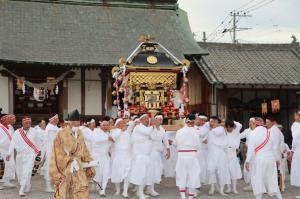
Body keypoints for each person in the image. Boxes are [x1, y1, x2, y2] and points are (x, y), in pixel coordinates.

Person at [49, 109, 96, 199]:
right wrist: (67, 158)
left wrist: (89, 162)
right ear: (69, 123)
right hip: (66, 167)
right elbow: (57, 151)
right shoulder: (61, 134)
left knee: (82, 188)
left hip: (78, 166)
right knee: (64, 190)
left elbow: (84, 149)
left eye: (78, 122)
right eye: (74, 122)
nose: (77, 124)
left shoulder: (80, 133)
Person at [245, 117, 282, 199]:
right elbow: (274, 148)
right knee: (272, 178)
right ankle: (279, 197)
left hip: (259, 159)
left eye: (251, 123)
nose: (250, 124)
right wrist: (277, 159)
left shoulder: (253, 133)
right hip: (271, 158)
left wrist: (247, 161)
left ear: (255, 123)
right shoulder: (269, 132)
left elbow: (251, 149)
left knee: (258, 178)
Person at [6, 116, 41, 196]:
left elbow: (38, 141)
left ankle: (21, 190)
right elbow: (12, 144)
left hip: (30, 155)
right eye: (26, 123)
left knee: (27, 171)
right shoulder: (17, 132)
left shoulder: (34, 131)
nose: (28, 124)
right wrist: (9, 153)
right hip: (19, 155)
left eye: (29, 123)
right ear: (22, 123)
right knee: (20, 173)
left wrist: (39, 151)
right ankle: (27, 185)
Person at [174, 113, 201, 199]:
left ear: (186, 121)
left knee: (181, 175)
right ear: (193, 122)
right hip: (192, 156)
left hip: (182, 156)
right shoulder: (196, 131)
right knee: (193, 176)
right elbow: (198, 145)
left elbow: (175, 143)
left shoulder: (179, 131)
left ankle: (183, 197)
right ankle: (190, 197)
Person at [129, 114, 154, 199]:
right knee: (140, 175)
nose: (147, 120)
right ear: (141, 120)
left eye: (148, 119)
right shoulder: (138, 127)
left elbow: (152, 137)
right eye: (145, 119)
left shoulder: (147, 128)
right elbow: (147, 133)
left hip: (146, 155)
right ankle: (140, 193)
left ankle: (140, 193)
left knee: (146, 175)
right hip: (140, 156)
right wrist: (152, 125)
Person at [146, 114, 170, 196]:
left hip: (157, 153)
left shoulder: (162, 129)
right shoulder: (150, 128)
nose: (160, 120)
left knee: (156, 170)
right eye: (158, 119)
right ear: (155, 120)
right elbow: (152, 137)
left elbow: (165, 140)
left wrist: (168, 149)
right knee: (151, 170)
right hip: (151, 152)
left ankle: (150, 189)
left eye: (161, 119)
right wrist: (154, 128)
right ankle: (150, 189)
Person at [207, 116, 230, 196]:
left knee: (222, 171)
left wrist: (210, 128)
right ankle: (212, 188)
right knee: (211, 171)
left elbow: (217, 133)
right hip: (212, 153)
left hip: (220, 153)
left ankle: (221, 189)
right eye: (211, 121)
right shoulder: (210, 130)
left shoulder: (220, 129)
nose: (211, 123)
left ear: (217, 122)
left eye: (213, 121)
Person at [110, 118, 131, 198]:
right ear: (117, 124)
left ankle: (125, 191)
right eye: (121, 123)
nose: (123, 124)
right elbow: (113, 139)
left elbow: (130, 143)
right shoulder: (114, 132)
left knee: (127, 172)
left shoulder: (127, 133)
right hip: (118, 155)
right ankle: (118, 190)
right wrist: (121, 130)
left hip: (127, 155)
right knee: (117, 173)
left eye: (123, 123)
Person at [92, 119, 114, 196]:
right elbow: (97, 140)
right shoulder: (96, 131)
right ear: (100, 125)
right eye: (104, 125)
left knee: (106, 173)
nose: (105, 126)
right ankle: (99, 186)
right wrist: (107, 139)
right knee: (98, 173)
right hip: (97, 156)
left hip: (105, 156)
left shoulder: (109, 133)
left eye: (107, 125)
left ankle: (103, 190)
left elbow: (110, 144)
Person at [224, 120, 243, 194]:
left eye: (230, 127)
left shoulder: (236, 131)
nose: (229, 129)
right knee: (227, 172)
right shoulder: (224, 132)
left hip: (233, 153)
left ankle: (234, 188)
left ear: (233, 127)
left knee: (233, 172)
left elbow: (240, 125)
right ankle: (228, 188)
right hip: (225, 154)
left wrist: (233, 122)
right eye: (227, 127)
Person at [44, 114, 60, 192]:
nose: (58, 120)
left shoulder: (55, 128)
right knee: (49, 168)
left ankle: (54, 185)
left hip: (56, 151)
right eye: (56, 119)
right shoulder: (50, 129)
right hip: (51, 151)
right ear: (53, 120)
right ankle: (48, 186)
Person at [240, 117, 256, 190]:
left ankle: (256, 185)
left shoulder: (259, 131)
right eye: (249, 122)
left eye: (251, 122)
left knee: (256, 169)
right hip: (249, 153)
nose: (250, 123)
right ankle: (251, 184)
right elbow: (239, 136)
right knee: (247, 169)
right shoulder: (247, 131)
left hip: (258, 153)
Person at [0, 114, 16, 188]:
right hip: (1, 150)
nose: (9, 120)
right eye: (7, 119)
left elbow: (13, 137)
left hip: (9, 151)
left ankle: (6, 181)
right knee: (1, 166)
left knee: (9, 165)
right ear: (2, 120)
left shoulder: (10, 127)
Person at [194, 113, 209, 186]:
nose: (202, 122)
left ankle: (199, 183)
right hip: (194, 152)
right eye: (201, 120)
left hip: (203, 152)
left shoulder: (206, 129)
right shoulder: (192, 127)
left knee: (202, 168)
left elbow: (206, 139)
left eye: (204, 120)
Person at [289, 111, 300, 199]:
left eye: (296, 115)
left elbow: (295, 139)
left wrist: (292, 151)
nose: (294, 117)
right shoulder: (294, 125)